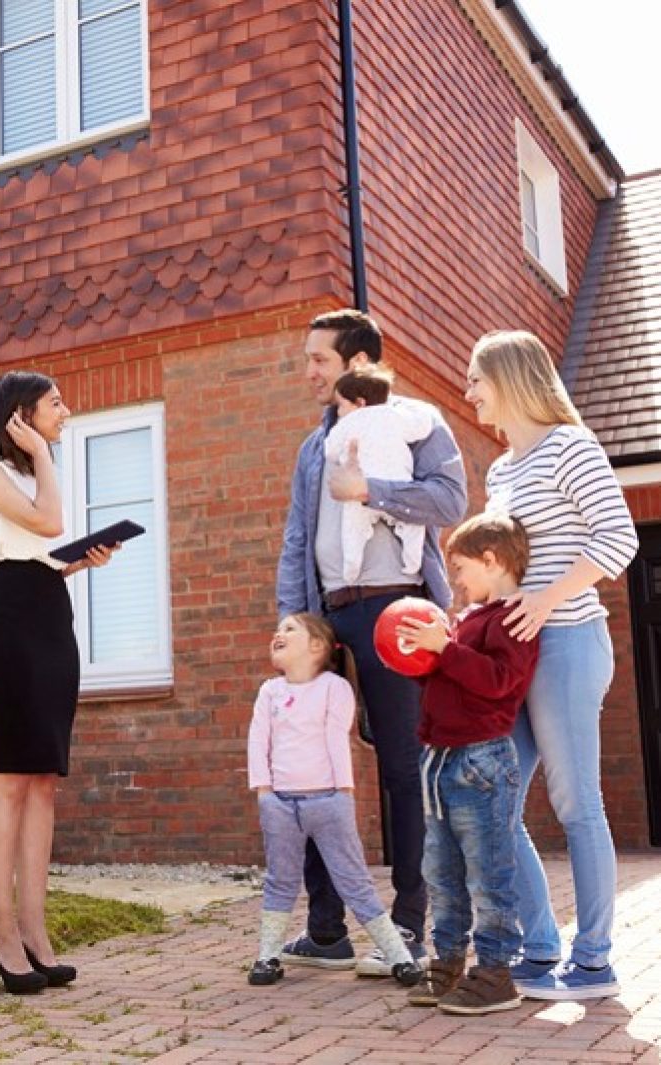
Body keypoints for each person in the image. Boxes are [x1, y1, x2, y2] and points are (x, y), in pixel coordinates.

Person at [277, 309, 468, 976]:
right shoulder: (311, 447)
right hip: (329, 618)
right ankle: (326, 927)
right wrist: (293, 624)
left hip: (396, 607)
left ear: (356, 364)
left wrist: (371, 489)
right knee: (314, 770)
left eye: (319, 360)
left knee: (402, 768)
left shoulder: (417, 422)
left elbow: (450, 501)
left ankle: (413, 921)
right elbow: (298, 538)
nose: (309, 373)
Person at [465, 330, 638, 1001]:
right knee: (492, 803)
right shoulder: (500, 470)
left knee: (575, 802)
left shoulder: (572, 446)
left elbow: (617, 538)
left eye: (477, 378)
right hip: (515, 653)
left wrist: (544, 599)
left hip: (567, 642)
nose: (471, 391)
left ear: (508, 378)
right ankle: (540, 944)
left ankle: (593, 958)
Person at [0, 370, 119, 995]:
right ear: (20, 414)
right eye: (56, 404)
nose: (66, 412)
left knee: (43, 782)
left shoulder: (34, 472)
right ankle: (1, 933)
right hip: (4, 618)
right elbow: (47, 525)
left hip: (48, 617)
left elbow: (46, 555)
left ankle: (35, 931)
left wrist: (83, 562)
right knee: (7, 775)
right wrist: (43, 453)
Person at [393, 512, 539, 1015]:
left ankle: (496, 970)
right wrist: (422, 660)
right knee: (442, 870)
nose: (453, 580)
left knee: (487, 872)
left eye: (458, 568)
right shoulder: (464, 621)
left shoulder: (513, 618)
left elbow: (500, 682)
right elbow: (447, 682)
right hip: (437, 760)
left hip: (482, 761)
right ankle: (448, 960)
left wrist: (446, 650)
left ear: (491, 559)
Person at [246, 613, 422, 989]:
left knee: (354, 881)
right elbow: (258, 741)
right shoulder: (269, 692)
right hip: (280, 804)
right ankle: (267, 955)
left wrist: (344, 793)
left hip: (327, 800)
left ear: (317, 646)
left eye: (290, 628)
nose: (279, 633)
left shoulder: (333, 688)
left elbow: (336, 740)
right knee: (281, 880)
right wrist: (263, 791)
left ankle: (399, 957)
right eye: (278, 628)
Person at [325, 365, 434, 584]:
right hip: (398, 488)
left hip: (359, 491)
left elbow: (330, 450)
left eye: (341, 405)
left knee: (352, 531)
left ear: (359, 403)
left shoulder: (348, 422)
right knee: (413, 528)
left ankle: (351, 569)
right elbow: (423, 426)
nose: (338, 412)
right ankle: (412, 562)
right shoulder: (395, 414)